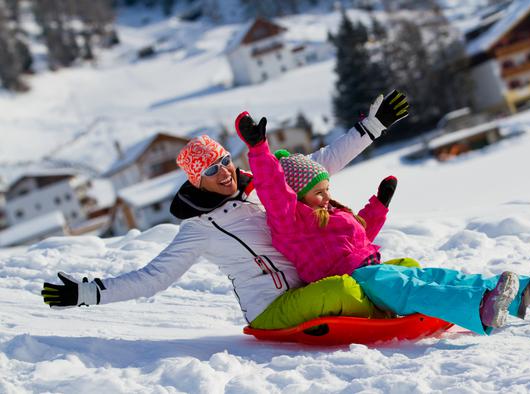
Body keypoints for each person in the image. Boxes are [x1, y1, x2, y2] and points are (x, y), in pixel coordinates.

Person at [41, 90, 410, 330]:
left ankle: (409, 294)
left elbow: (321, 163)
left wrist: (372, 127)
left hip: (313, 284)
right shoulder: (199, 227)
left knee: (387, 270)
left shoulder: (261, 186)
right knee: (345, 291)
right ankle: (395, 314)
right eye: (211, 170)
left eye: (225, 161)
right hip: (272, 311)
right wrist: (89, 293)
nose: (225, 172)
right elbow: (154, 277)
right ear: (195, 181)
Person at [235, 103, 530, 335]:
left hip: (370, 269)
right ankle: (480, 308)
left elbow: (361, 237)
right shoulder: (290, 219)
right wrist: (259, 148)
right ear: (297, 194)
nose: (326, 196)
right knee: (410, 288)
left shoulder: (331, 213)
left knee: (437, 276)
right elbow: (273, 189)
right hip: (355, 280)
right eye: (318, 191)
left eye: (327, 188)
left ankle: (528, 293)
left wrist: (379, 205)